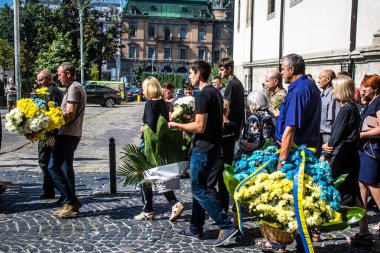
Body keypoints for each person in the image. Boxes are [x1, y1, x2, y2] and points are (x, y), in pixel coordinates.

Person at [169, 60, 237, 246]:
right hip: (214, 146)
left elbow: (199, 126)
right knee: (200, 187)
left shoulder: (203, 95)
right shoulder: (214, 93)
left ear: (198, 73)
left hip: (204, 148)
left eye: (191, 73)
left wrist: (178, 124)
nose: (189, 76)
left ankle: (227, 225)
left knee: (199, 189)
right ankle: (195, 228)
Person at [273, 54, 321, 252]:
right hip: (305, 151)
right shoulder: (308, 86)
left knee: (290, 200)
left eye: (283, 68)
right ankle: (298, 244)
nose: (282, 71)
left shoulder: (299, 90)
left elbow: (290, 129)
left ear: (292, 69)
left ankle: (283, 244)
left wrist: (281, 162)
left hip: (296, 155)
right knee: (302, 202)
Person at [135, 76, 184, 222]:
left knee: (146, 176)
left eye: (144, 88)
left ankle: (153, 209)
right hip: (161, 143)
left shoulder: (150, 103)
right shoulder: (162, 102)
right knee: (157, 175)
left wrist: (143, 128)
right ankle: (159, 207)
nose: (142, 91)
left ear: (149, 88)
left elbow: (150, 124)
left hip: (150, 145)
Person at [48, 62, 86, 218]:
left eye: (60, 74)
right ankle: (70, 204)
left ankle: (72, 200)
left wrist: (49, 120)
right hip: (71, 134)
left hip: (68, 134)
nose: (58, 78)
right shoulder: (74, 88)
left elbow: (69, 113)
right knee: (65, 168)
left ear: (68, 74)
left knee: (52, 167)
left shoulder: (74, 89)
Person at [347, 74, 380, 244]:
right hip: (364, 150)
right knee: (362, 185)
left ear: (375, 88)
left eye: (367, 86)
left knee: (373, 186)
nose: (363, 89)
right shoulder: (369, 103)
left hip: (372, 151)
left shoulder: (379, 102)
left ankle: (364, 230)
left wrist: (362, 134)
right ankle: (363, 230)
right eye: (363, 85)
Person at [321, 76, 361, 206]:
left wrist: (326, 152)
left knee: (338, 192)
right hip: (350, 156)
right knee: (353, 193)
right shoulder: (352, 107)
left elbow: (336, 136)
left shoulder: (346, 110)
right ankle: (364, 226)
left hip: (342, 157)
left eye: (335, 88)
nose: (332, 91)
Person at [36, 70, 63, 200]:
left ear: (48, 79)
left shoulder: (51, 92)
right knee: (48, 161)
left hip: (49, 132)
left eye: (41, 80)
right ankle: (52, 189)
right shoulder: (50, 90)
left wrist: (51, 134)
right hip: (49, 131)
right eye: (38, 80)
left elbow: (53, 114)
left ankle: (50, 190)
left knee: (44, 161)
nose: (39, 83)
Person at [207, 100, 239, 213]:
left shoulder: (214, 127)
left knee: (209, 185)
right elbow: (236, 138)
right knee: (223, 185)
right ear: (228, 110)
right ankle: (224, 209)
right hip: (229, 157)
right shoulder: (233, 125)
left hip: (217, 159)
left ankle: (216, 205)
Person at [235, 90, 276, 160]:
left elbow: (252, 141)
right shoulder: (270, 113)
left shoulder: (254, 118)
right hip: (269, 153)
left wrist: (241, 138)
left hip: (256, 157)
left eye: (249, 103)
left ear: (253, 104)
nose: (249, 106)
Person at [317, 70, 341, 159]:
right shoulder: (321, 94)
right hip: (320, 134)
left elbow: (337, 119)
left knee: (325, 164)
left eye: (320, 78)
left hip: (328, 136)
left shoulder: (333, 95)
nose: (318, 81)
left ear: (328, 79)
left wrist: (331, 140)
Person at [219, 58, 245, 131]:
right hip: (237, 124)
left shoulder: (232, 84)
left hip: (232, 124)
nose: (219, 72)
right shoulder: (237, 82)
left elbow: (225, 105)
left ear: (229, 69)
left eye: (221, 69)